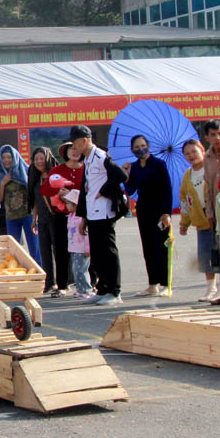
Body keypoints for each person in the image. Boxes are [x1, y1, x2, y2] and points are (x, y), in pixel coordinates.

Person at [73, 125, 126, 306]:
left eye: (76, 143)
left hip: (104, 212)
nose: (74, 147)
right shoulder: (87, 160)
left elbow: (120, 175)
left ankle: (114, 291)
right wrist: (84, 218)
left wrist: (105, 191)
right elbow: (86, 190)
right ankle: (102, 289)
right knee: (97, 254)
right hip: (92, 213)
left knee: (108, 252)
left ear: (85, 140)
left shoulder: (100, 156)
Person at [123, 134, 173, 297]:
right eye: (136, 147)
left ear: (148, 146)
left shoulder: (159, 164)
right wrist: (126, 175)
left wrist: (166, 213)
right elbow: (130, 190)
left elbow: (167, 189)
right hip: (144, 211)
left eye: (142, 145)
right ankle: (153, 284)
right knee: (148, 247)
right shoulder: (135, 167)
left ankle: (166, 284)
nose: (140, 149)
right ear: (132, 150)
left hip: (160, 211)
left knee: (162, 246)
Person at [179, 139, 220, 302]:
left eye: (194, 151)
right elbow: (184, 199)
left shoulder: (212, 168)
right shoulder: (188, 175)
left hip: (218, 219)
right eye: (187, 154)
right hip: (201, 221)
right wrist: (184, 222)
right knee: (206, 255)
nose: (191, 156)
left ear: (202, 150)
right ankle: (210, 288)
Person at [41, 142, 83, 293]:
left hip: (82, 216)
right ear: (66, 152)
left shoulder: (87, 169)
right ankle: (62, 285)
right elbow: (44, 189)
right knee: (61, 250)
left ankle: (87, 284)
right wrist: (58, 191)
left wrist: (75, 195)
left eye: (77, 148)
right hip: (62, 216)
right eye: (71, 149)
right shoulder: (58, 170)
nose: (74, 151)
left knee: (85, 250)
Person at [0, 144, 36, 256]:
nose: (6, 160)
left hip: (28, 215)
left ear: (15, 158)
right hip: (11, 217)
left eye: (9, 157)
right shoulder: (0, 175)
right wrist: (3, 183)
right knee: (13, 249)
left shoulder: (24, 171)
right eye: (4, 158)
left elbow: (33, 193)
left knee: (34, 247)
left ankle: (38, 271)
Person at [28, 147, 56, 284]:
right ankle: (49, 282)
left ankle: (64, 281)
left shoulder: (55, 175)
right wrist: (34, 218)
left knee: (58, 251)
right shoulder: (35, 178)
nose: (39, 162)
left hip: (56, 218)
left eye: (41, 158)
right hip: (42, 219)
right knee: (45, 252)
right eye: (36, 159)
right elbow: (35, 201)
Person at [64, 189, 92, 299]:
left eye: (68, 203)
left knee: (82, 270)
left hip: (82, 249)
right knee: (76, 270)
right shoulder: (70, 216)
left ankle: (87, 290)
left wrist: (87, 249)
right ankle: (80, 290)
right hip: (74, 248)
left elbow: (87, 235)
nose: (66, 206)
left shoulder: (82, 219)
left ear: (76, 204)